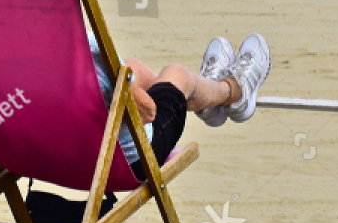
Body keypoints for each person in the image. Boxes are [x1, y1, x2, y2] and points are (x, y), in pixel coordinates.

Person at [91, 31, 270, 181]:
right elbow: (147, 112)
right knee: (177, 74)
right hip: (129, 162)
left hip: (70, 160)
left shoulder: (66, 52)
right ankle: (233, 93)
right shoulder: (90, 46)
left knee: (132, 68)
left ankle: (206, 96)